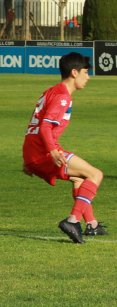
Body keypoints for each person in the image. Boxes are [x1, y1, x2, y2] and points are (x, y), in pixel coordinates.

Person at [22, 52, 107, 244]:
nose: (88, 77)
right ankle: (72, 221)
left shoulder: (52, 91)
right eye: (86, 72)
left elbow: (33, 125)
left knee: (80, 178)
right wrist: (52, 151)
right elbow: (44, 126)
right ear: (74, 73)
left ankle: (91, 224)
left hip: (33, 152)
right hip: (44, 152)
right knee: (95, 175)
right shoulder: (63, 97)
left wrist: (28, 159)